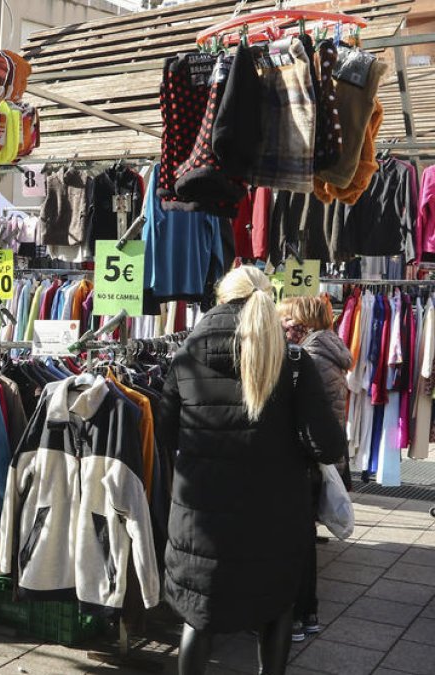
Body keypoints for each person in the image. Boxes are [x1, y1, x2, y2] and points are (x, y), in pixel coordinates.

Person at [157, 266, 346, 675]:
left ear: (223, 299)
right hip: (275, 516)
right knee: (274, 610)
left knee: (199, 616)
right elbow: (327, 446)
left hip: (201, 517)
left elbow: (166, 432)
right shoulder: (295, 362)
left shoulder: (185, 356)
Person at [279, 295, 353, 643]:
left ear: (302, 323)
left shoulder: (307, 356)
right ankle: (306, 614)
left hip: (303, 459)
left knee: (294, 541)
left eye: (288, 320)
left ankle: (294, 616)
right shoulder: (328, 349)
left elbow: (304, 413)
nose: (284, 327)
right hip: (317, 456)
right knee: (303, 539)